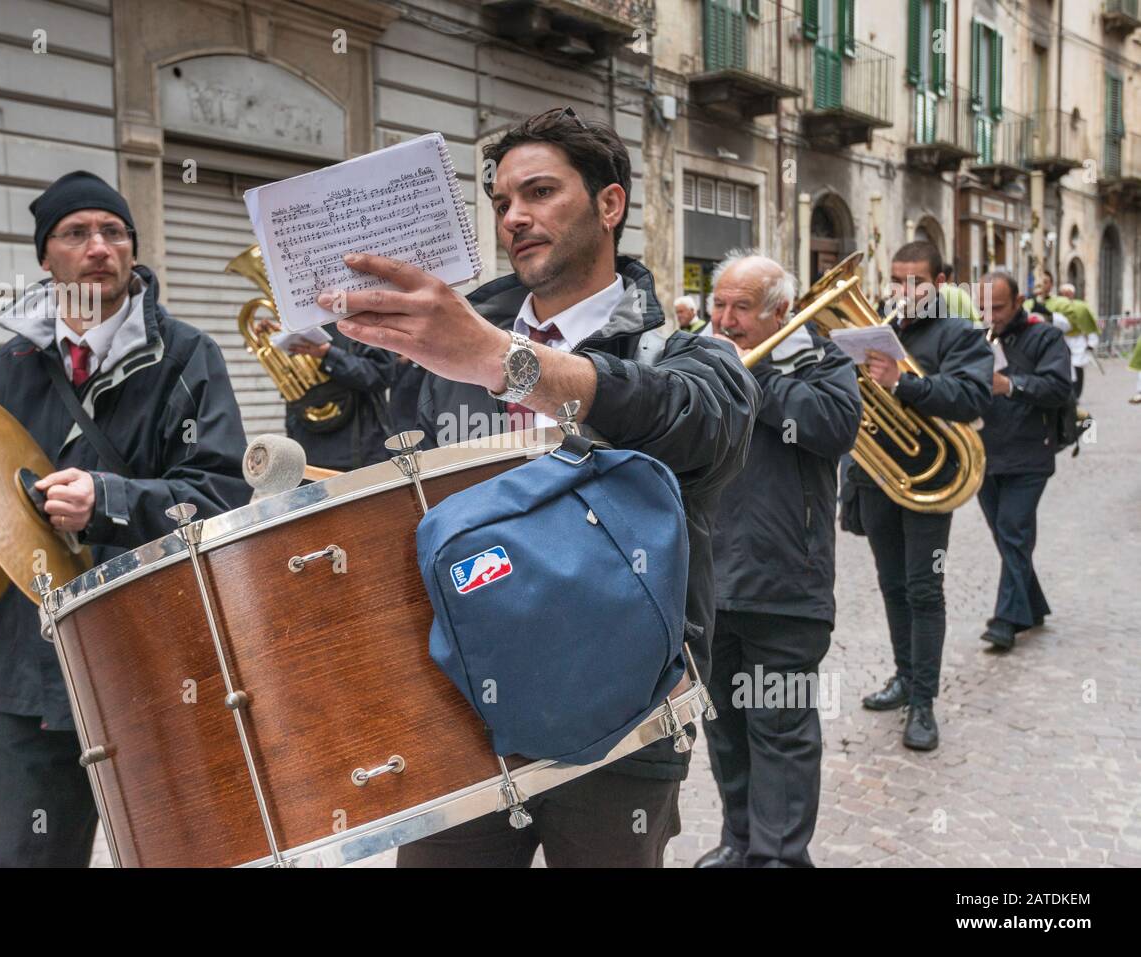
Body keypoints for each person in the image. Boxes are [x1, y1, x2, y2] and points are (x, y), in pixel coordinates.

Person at [330, 106, 759, 867]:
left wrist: (505, 362)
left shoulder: (686, 352)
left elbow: (690, 424)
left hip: (624, 721)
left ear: (610, 203)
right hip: (456, 710)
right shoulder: (433, 355)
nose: (515, 217)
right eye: (500, 202)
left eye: (538, 193)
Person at [0, 170, 249, 866]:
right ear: (46, 257)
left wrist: (111, 502)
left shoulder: (189, 356)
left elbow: (221, 495)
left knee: (178, 853)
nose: (99, 245)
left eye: (113, 230)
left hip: (156, 662)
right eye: (76, 233)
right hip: (30, 666)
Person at [693, 251, 861, 868]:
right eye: (720, 305)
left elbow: (833, 426)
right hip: (712, 580)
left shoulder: (823, 359)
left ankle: (780, 858)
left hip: (788, 584)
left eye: (742, 309)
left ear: (781, 312)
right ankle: (739, 843)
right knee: (727, 730)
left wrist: (751, 379)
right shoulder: (698, 354)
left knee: (781, 731)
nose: (727, 320)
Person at [856, 241, 992, 751]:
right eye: (896, 280)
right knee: (891, 586)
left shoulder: (961, 334)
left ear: (941, 283)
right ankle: (903, 678)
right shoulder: (876, 330)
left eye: (916, 282)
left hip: (931, 481)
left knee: (923, 590)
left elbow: (973, 397)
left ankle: (924, 704)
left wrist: (904, 383)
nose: (904, 291)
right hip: (879, 478)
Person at [976, 272, 1073, 649]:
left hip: (1030, 452)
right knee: (1005, 536)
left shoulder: (1045, 336)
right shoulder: (976, 338)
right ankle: (1032, 606)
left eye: (998, 308)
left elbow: (1059, 387)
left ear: (1018, 303)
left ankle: (1006, 620)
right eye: (984, 307)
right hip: (985, 453)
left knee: (1014, 531)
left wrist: (1010, 385)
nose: (991, 315)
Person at [280, 326, 396, 471]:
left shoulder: (361, 314)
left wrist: (328, 354)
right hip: (307, 451)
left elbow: (380, 374)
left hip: (359, 454)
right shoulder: (296, 319)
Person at [1042, 284, 1098, 400]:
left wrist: (1092, 342)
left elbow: (1088, 325)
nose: (1066, 295)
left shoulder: (1081, 307)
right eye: (1063, 293)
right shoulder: (1057, 305)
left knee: (1077, 366)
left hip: (1078, 341)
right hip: (1061, 339)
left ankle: (1076, 393)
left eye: (1068, 293)